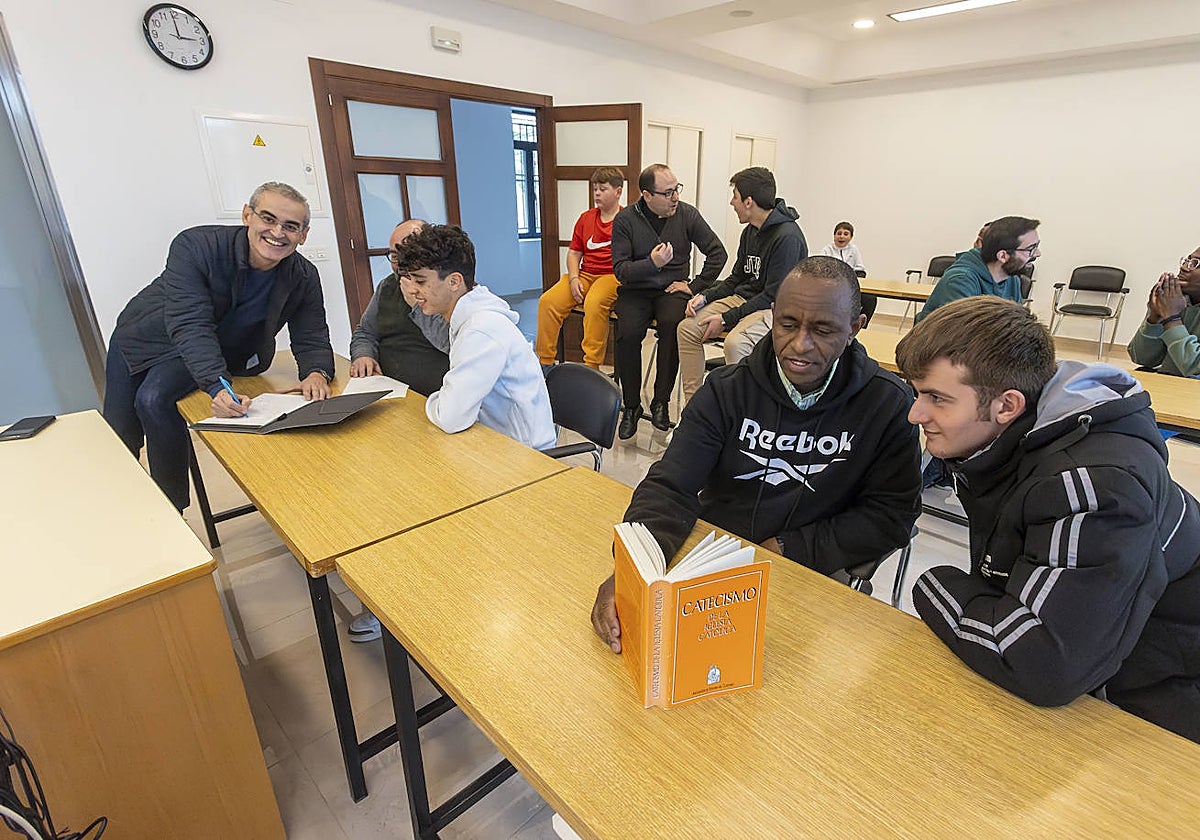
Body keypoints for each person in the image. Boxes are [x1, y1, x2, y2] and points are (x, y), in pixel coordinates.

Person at [897, 296, 1200, 743]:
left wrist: (934, 583)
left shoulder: (1092, 487)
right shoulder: (1009, 437)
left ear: (1006, 405)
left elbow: (1044, 664)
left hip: (1165, 684)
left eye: (936, 398)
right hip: (1109, 654)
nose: (915, 413)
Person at [591, 256, 923, 652]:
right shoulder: (727, 390)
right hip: (715, 555)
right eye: (787, 324)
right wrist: (631, 567)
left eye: (823, 330)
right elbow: (670, 484)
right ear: (772, 317)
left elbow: (892, 516)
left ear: (855, 329)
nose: (799, 344)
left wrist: (787, 548)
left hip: (809, 567)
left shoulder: (888, 405)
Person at [103, 181, 334, 512]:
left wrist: (316, 371)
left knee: (153, 399)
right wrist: (216, 385)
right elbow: (190, 321)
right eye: (268, 219)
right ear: (246, 215)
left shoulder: (303, 275)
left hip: (210, 345)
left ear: (304, 234)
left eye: (290, 226)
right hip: (148, 335)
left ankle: (172, 511)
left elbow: (310, 331)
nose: (277, 232)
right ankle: (128, 514)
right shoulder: (195, 245)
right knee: (121, 434)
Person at [391, 223, 556, 449]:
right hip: (494, 440)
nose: (412, 290)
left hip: (527, 455)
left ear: (454, 281)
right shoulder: (467, 316)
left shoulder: (481, 329)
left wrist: (436, 401)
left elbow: (450, 417)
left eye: (420, 281)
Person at [611, 164, 727, 438]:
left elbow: (717, 254)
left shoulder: (686, 214)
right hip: (635, 290)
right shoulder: (626, 220)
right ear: (647, 195)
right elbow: (621, 270)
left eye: (677, 189)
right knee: (627, 334)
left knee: (672, 327)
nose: (675, 197)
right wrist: (651, 263)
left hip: (672, 290)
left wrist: (694, 286)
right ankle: (631, 406)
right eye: (668, 192)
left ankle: (660, 401)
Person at [676, 166, 806, 404]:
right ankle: (693, 407)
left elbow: (772, 295)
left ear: (748, 201)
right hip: (745, 299)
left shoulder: (786, 237)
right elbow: (737, 278)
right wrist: (704, 297)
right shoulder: (750, 232)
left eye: (734, 197)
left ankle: (739, 415)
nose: (731, 203)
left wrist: (726, 319)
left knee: (735, 344)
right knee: (686, 329)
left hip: (775, 308)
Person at [535, 167, 624, 369]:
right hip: (585, 274)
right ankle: (545, 362)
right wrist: (574, 279)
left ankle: (591, 366)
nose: (597, 193)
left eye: (603, 189)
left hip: (612, 276)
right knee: (548, 302)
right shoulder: (586, 218)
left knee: (594, 302)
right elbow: (574, 253)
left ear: (618, 191)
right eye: (595, 189)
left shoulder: (626, 219)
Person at [348, 219, 450, 395]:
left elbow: (450, 344)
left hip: (433, 396)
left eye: (409, 253)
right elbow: (365, 332)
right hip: (385, 387)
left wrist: (416, 305)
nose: (401, 263)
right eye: (394, 256)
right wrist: (363, 355)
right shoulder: (387, 286)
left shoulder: (447, 288)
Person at [915, 216, 1039, 323]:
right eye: (1030, 249)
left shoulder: (1012, 279)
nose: (1037, 254)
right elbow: (960, 341)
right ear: (1002, 256)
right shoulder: (960, 281)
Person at [1127, 245, 1200, 377]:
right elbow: (1142, 359)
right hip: (1169, 382)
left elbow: (1196, 370)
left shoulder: (1173, 306)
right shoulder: (1175, 299)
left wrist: (1172, 320)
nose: (1184, 267)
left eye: (1196, 264)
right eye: (1187, 260)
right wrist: (1154, 319)